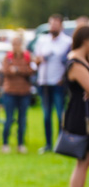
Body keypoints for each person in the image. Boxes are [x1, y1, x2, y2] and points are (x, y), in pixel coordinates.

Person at [35, 14, 71, 153]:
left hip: (58, 83)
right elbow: (35, 60)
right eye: (51, 24)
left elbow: (69, 63)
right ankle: (48, 144)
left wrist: (63, 78)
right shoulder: (42, 40)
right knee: (46, 115)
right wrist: (40, 59)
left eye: (56, 24)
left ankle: (60, 144)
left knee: (60, 114)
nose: (53, 27)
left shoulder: (67, 42)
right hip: (44, 82)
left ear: (61, 26)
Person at [63, 26, 89, 187]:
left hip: (83, 113)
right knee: (82, 162)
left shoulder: (82, 61)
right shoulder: (75, 62)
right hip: (82, 116)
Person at [0, 35, 35, 154]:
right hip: (10, 92)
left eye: (18, 44)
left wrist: (18, 70)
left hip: (24, 92)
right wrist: (19, 70)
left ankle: (21, 144)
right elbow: (6, 71)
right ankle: (5, 143)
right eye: (14, 44)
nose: (16, 47)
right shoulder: (8, 57)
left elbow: (31, 70)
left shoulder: (27, 57)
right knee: (9, 119)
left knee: (22, 119)